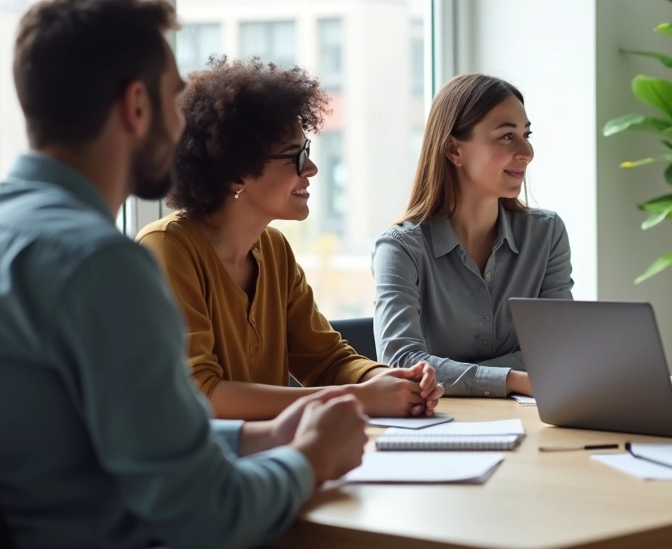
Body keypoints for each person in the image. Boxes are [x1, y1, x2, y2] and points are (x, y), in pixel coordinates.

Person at [0, 0, 369, 549]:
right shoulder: (100, 265)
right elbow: (206, 514)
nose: (181, 122)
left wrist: (255, 439)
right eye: (174, 97)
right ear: (136, 106)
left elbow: (102, 447)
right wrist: (314, 456)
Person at [138, 57, 444, 421]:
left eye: (308, 151)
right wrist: (359, 398)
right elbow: (201, 395)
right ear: (237, 171)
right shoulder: (166, 249)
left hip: (265, 458)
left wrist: (391, 380)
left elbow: (327, 361)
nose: (311, 168)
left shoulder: (274, 249)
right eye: (295, 157)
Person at [373, 73, 573, 398]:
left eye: (526, 134)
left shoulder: (547, 234)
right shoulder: (399, 249)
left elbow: (557, 351)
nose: (527, 151)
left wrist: (450, 373)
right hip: (437, 431)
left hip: (532, 423)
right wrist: (512, 379)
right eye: (507, 136)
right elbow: (401, 362)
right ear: (454, 150)